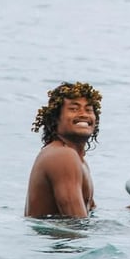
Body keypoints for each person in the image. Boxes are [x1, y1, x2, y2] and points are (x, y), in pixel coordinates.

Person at [24, 81, 102, 218]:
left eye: (89, 109)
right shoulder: (63, 156)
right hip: (56, 239)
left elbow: (87, 220)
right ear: (55, 119)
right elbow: (76, 225)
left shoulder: (79, 161)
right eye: (74, 109)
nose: (84, 114)